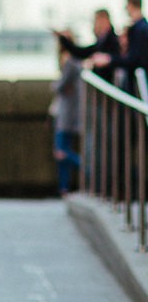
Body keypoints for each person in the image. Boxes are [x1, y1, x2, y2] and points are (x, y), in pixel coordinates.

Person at [90, 0, 148, 96]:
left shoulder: (139, 29)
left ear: (130, 5)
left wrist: (109, 59)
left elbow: (134, 59)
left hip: (138, 87)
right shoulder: (141, 27)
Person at [50, 34, 82, 196]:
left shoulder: (69, 62)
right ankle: (64, 187)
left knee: (61, 152)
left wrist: (56, 85)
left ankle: (85, 167)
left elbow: (58, 86)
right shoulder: (75, 62)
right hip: (67, 114)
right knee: (63, 152)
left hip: (65, 115)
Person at [55, 9, 119, 86]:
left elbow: (82, 53)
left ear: (104, 20)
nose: (94, 24)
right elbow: (82, 52)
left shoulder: (111, 41)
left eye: (95, 20)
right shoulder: (103, 41)